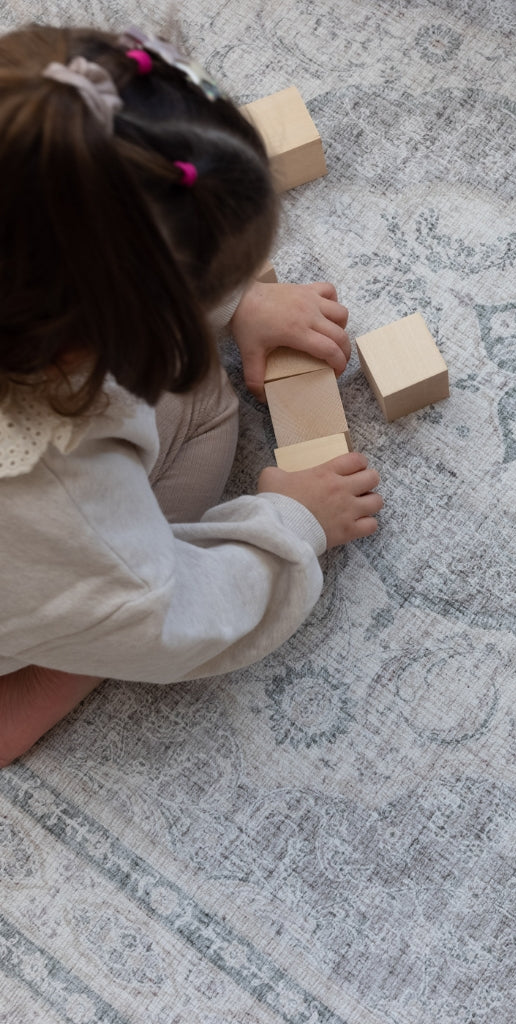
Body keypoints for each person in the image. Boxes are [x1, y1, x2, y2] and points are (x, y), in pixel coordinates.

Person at [0, 24, 382, 765]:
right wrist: (291, 524)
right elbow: (174, 612)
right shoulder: (59, 497)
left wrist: (235, 301)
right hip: (42, 573)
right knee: (209, 410)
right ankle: (48, 673)